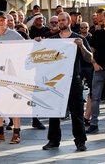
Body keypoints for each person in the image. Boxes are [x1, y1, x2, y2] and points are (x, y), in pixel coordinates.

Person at [37, 12, 93, 152]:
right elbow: (42, 57)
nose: (60, 23)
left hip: (73, 80)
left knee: (77, 112)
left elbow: (89, 58)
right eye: (57, 21)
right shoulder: (52, 40)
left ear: (69, 21)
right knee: (54, 113)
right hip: (56, 82)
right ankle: (53, 140)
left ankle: (80, 142)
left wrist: (81, 46)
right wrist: (37, 43)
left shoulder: (78, 38)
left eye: (63, 20)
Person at [0, 11, 24, 144]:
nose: (1, 22)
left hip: (11, 74)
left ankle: (16, 133)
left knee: (14, 103)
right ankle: (0, 132)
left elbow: (27, 47)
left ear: (7, 21)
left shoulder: (14, 35)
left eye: (3, 20)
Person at [79, 22, 93, 126]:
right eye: (82, 27)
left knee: (92, 90)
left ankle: (87, 115)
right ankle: (80, 112)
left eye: (86, 27)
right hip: (79, 66)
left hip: (90, 66)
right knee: (78, 89)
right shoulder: (77, 38)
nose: (84, 29)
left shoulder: (92, 37)